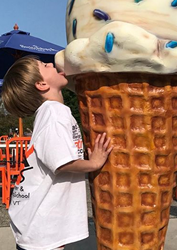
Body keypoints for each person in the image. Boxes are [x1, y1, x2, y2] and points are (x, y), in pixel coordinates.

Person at [1, 56, 113, 250]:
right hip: (42, 225)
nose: (52, 64)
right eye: (45, 66)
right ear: (42, 84)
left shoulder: (48, 113)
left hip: (37, 223)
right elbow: (61, 162)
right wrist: (94, 163)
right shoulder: (54, 112)